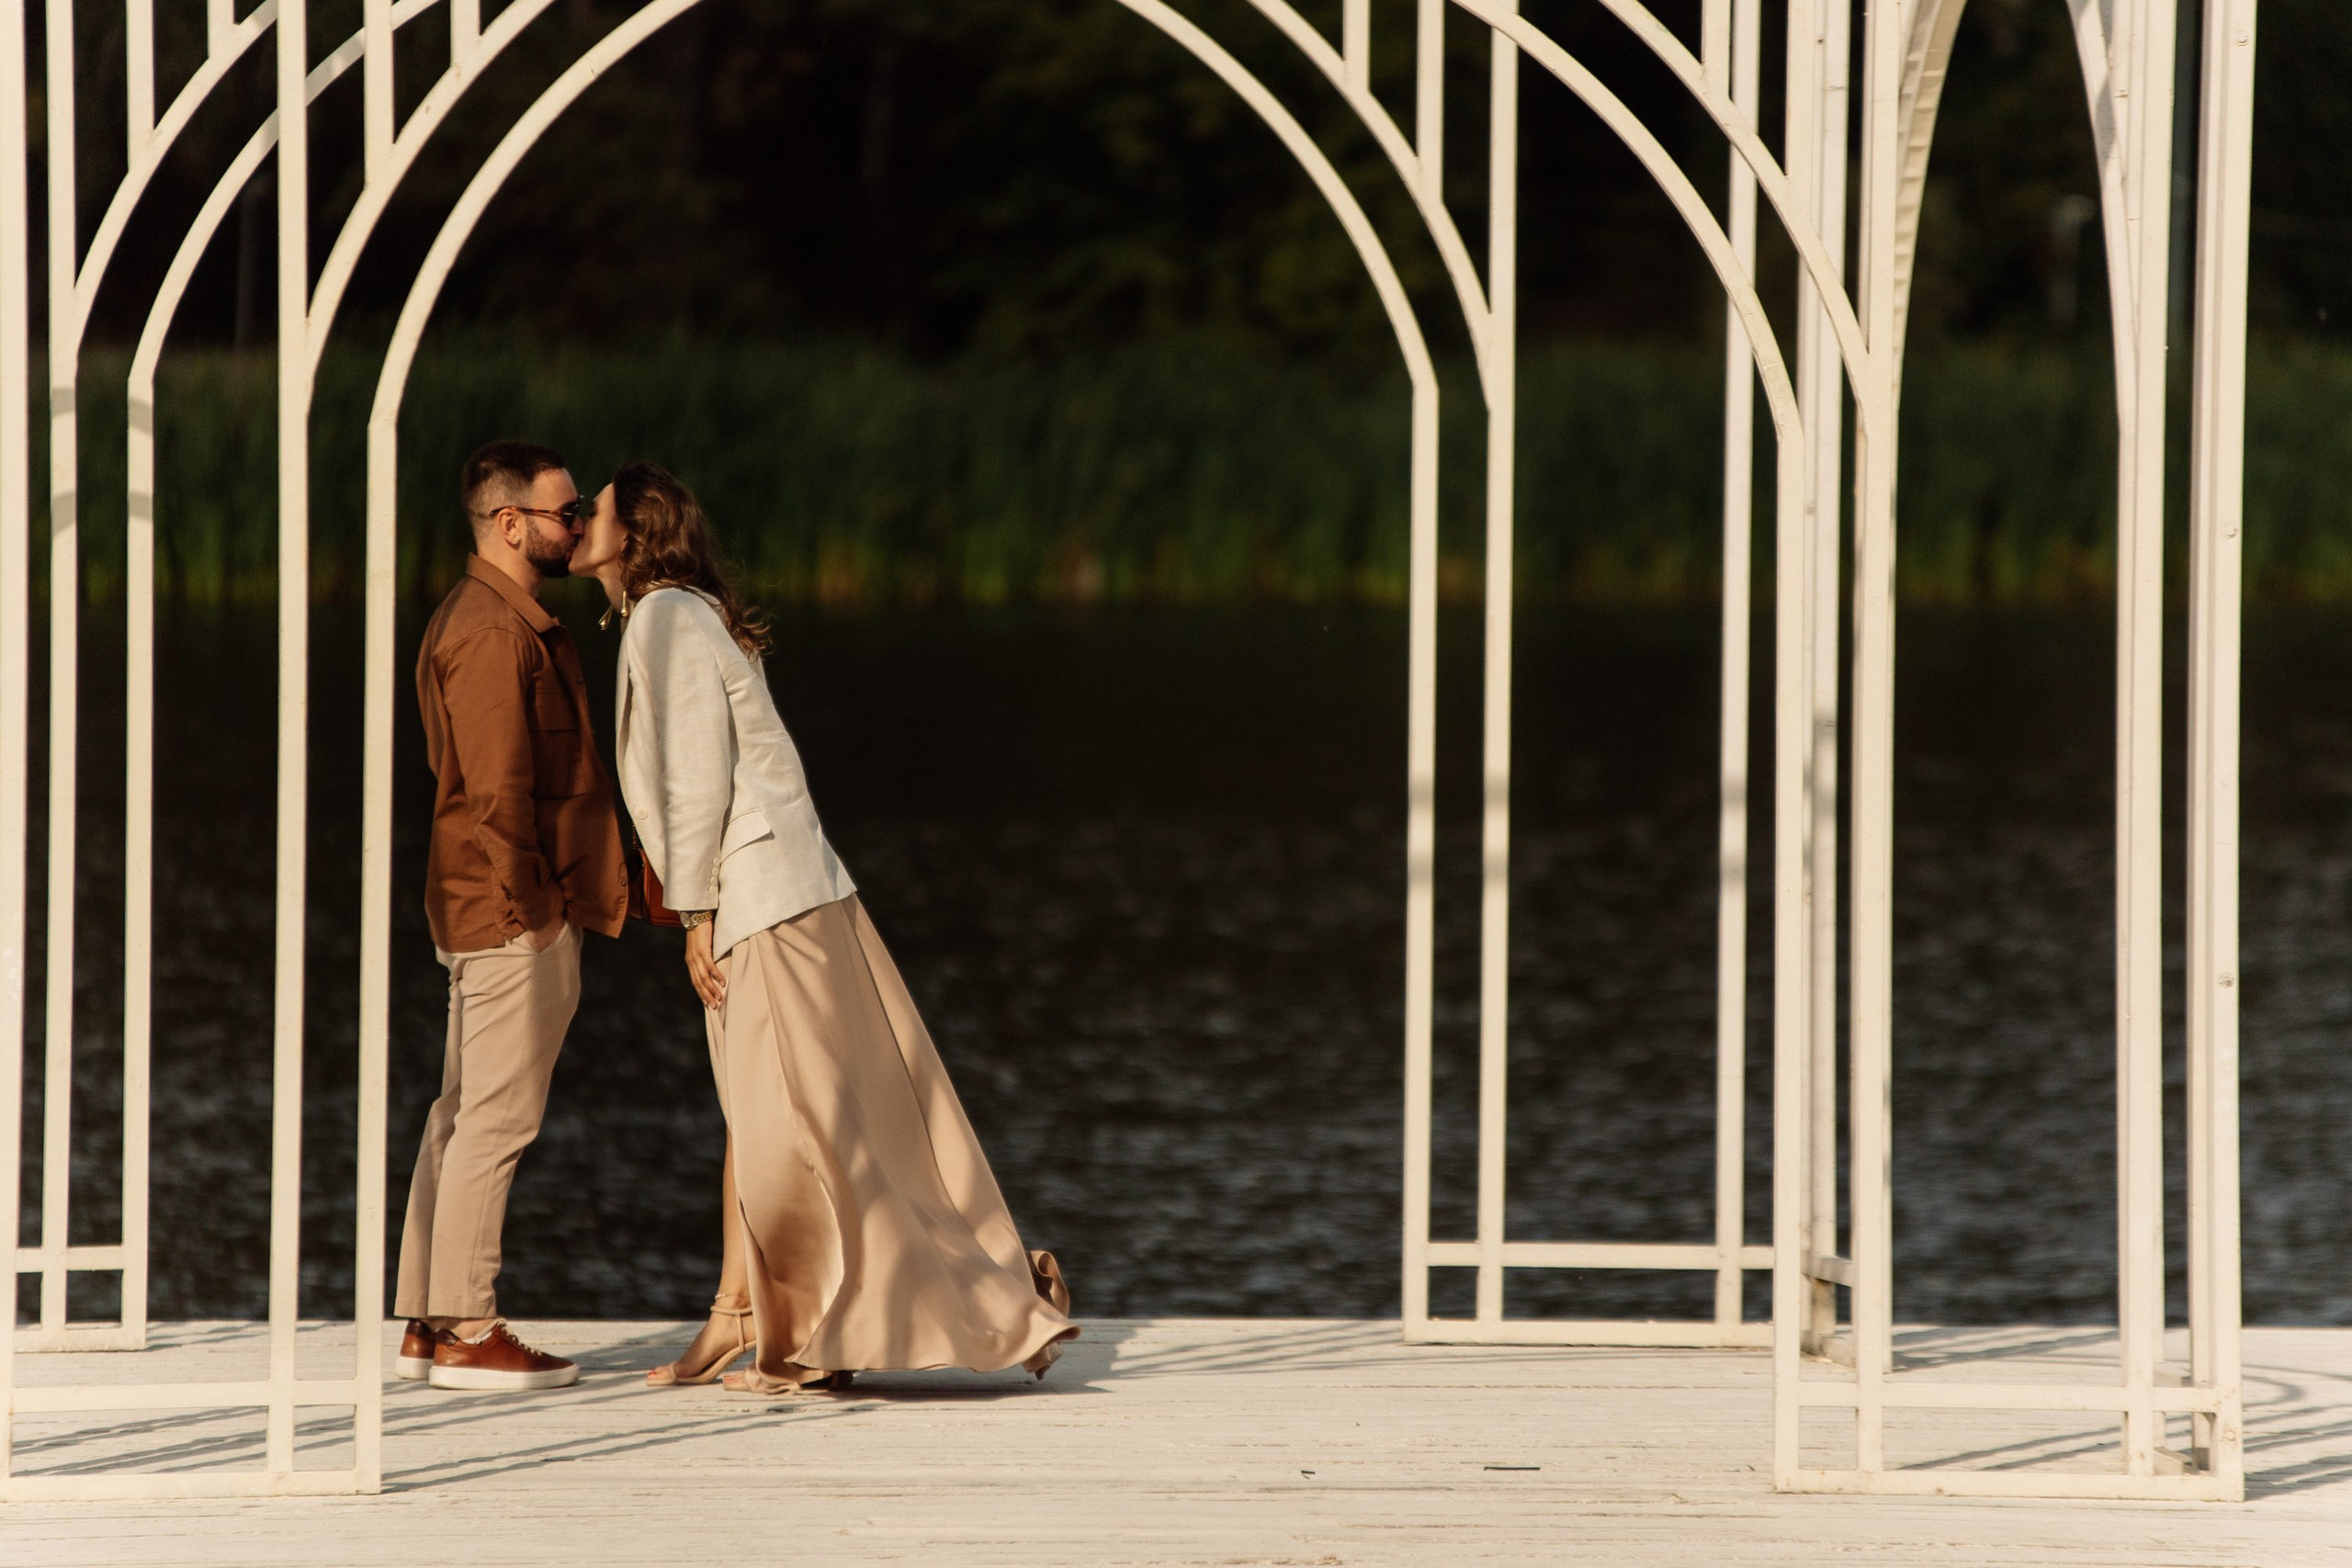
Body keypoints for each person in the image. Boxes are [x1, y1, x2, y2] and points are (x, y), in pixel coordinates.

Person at [571, 461, 1076, 1393]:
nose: (572, 520)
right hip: (791, 888)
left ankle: (814, 1336)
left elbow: (696, 777)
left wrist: (695, 916)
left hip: (760, 898)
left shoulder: (664, 617)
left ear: (633, 533)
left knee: (785, 1123)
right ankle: (739, 1313)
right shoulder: (679, 613)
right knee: (764, 1111)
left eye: (587, 510)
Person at [393, 442, 628, 1392]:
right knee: (495, 1119)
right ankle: (467, 1326)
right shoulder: (493, 632)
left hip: (486, 906)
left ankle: (427, 1316)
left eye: (577, 513)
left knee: (461, 1112)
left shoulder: (495, 618)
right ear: (508, 524)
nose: (575, 526)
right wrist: (537, 914)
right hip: (506, 914)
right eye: (563, 512)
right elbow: (496, 792)